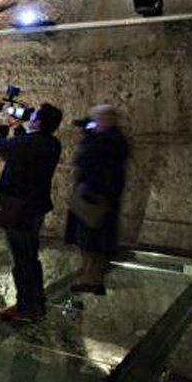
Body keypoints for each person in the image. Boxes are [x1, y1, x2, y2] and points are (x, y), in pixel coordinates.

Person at [0, 103, 63, 323]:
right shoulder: (51, 143)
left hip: (20, 210)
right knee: (30, 257)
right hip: (35, 208)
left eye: (33, 115)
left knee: (22, 260)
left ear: (38, 122)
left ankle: (27, 308)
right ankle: (35, 302)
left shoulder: (30, 143)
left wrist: (5, 124)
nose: (29, 116)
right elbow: (21, 152)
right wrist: (21, 128)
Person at [66, 105, 129, 295]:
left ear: (105, 120)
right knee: (92, 240)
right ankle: (93, 278)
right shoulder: (109, 138)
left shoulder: (109, 140)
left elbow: (88, 160)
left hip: (95, 199)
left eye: (96, 119)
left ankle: (92, 280)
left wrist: (89, 188)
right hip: (97, 197)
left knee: (92, 241)